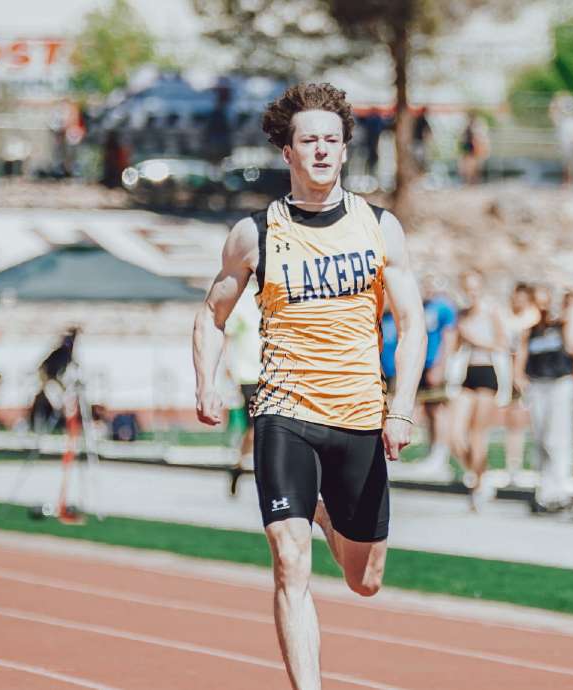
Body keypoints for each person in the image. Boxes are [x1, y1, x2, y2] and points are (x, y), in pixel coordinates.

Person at [192, 82, 425, 689]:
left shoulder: (379, 227)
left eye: (331, 140)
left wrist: (401, 407)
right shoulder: (256, 234)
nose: (321, 150)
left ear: (346, 149)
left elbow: (414, 323)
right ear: (287, 152)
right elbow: (212, 314)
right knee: (289, 563)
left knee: (364, 579)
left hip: (359, 415)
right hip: (283, 412)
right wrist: (206, 383)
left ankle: (325, 513)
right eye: (308, 141)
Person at [515, 285, 573, 511]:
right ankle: (545, 489)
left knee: (558, 439)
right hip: (538, 385)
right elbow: (521, 359)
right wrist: (520, 380)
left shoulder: (562, 326)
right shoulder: (530, 331)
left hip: (560, 383)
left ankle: (559, 490)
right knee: (541, 440)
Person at [451, 271, 506, 510]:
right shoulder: (462, 315)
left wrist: (475, 339)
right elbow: (455, 347)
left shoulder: (491, 312)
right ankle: (480, 473)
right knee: (455, 435)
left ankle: (477, 485)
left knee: (477, 433)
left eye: (475, 288)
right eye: (467, 287)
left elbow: (503, 344)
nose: (471, 292)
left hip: (487, 371)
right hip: (466, 373)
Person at [414, 276, 458, 477]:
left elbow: (449, 336)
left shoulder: (444, 307)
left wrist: (442, 364)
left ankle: (441, 455)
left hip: (435, 363)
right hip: (422, 363)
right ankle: (431, 451)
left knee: (438, 410)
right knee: (429, 410)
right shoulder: (423, 305)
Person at [498, 283, 540, 478]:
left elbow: (524, 347)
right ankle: (513, 464)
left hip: (528, 373)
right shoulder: (506, 316)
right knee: (513, 420)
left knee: (531, 420)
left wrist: (519, 373)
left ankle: (533, 463)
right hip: (507, 370)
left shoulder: (533, 317)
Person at [225, 285, 262, 496]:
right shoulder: (243, 301)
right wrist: (229, 368)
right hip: (249, 375)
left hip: (275, 373)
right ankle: (239, 466)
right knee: (256, 429)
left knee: (272, 427)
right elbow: (228, 336)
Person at [550, 92, 573, 186]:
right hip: (564, 144)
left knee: (572, 164)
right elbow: (553, 114)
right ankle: (566, 182)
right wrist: (556, 101)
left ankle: (570, 182)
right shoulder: (562, 118)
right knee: (566, 164)